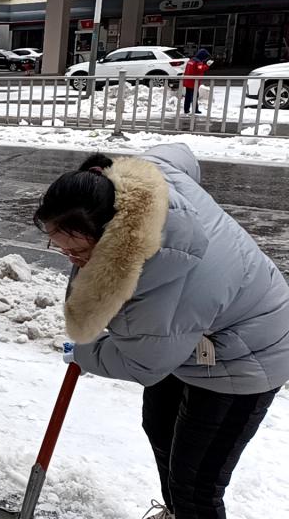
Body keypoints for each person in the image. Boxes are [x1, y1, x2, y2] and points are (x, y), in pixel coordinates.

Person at [34, 143, 289, 519]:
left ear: (113, 239)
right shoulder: (144, 179)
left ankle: (184, 509)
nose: (72, 261)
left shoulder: (155, 292)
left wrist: (85, 352)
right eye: (60, 248)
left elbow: (142, 363)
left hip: (246, 355)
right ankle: (175, 511)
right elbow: (181, 154)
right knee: (158, 426)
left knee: (195, 485)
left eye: (78, 252)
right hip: (199, 331)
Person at [182, 49, 212, 114]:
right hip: (193, 82)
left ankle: (186, 109)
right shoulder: (198, 62)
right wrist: (207, 65)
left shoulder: (191, 60)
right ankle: (195, 110)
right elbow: (200, 69)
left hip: (188, 81)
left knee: (188, 96)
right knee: (195, 96)